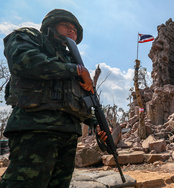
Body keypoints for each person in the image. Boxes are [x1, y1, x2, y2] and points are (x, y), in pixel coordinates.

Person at [0, 9, 107, 188]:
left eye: (75, 29)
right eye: (67, 26)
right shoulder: (31, 37)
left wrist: (98, 124)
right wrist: (76, 70)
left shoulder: (71, 60)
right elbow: (24, 61)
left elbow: (79, 102)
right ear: (51, 24)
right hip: (36, 130)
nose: (72, 31)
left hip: (69, 136)